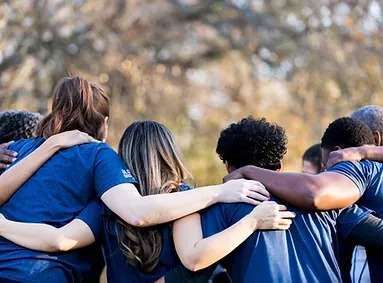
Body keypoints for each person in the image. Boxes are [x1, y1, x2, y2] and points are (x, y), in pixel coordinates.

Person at [0, 76, 277, 282]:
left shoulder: (17, 150)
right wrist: (223, 195)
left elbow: (62, 238)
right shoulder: (102, 160)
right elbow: (142, 218)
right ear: (104, 124)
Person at [173, 117, 342, 282]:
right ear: (279, 166)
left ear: (229, 168)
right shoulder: (327, 201)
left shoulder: (221, 208)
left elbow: (195, 271)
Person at [223, 117, 383, 281]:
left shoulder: (217, 207)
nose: (325, 171)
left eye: (326, 166)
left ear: (229, 167)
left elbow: (199, 263)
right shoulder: (335, 207)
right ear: (279, 165)